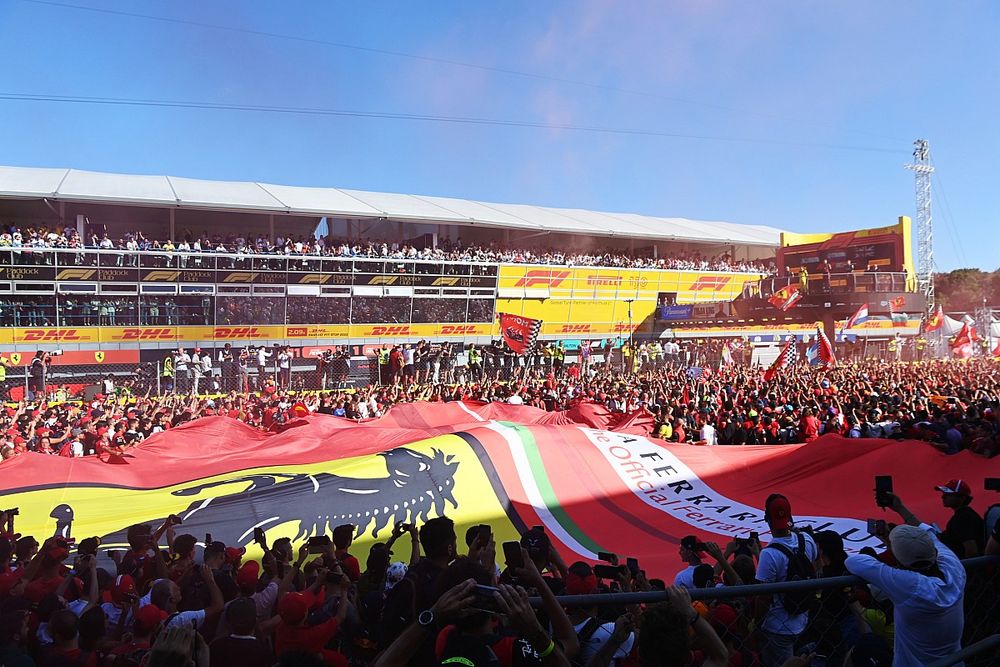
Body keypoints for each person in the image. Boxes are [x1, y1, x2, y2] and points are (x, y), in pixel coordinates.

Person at [846, 492, 966, 667]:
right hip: (954, 662)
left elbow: (854, 561)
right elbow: (930, 534)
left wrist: (890, 544)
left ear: (898, 559)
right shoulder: (954, 568)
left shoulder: (909, 585)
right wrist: (900, 509)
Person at [754, 494, 817, 667]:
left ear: (767, 518)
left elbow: (763, 598)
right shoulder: (808, 540)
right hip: (804, 619)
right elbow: (815, 567)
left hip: (777, 628)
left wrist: (756, 624)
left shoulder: (769, 554)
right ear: (790, 516)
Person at [933, 479, 985, 558]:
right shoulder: (964, 515)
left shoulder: (963, 518)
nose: (943, 497)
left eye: (948, 494)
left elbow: (971, 551)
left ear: (962, 498)